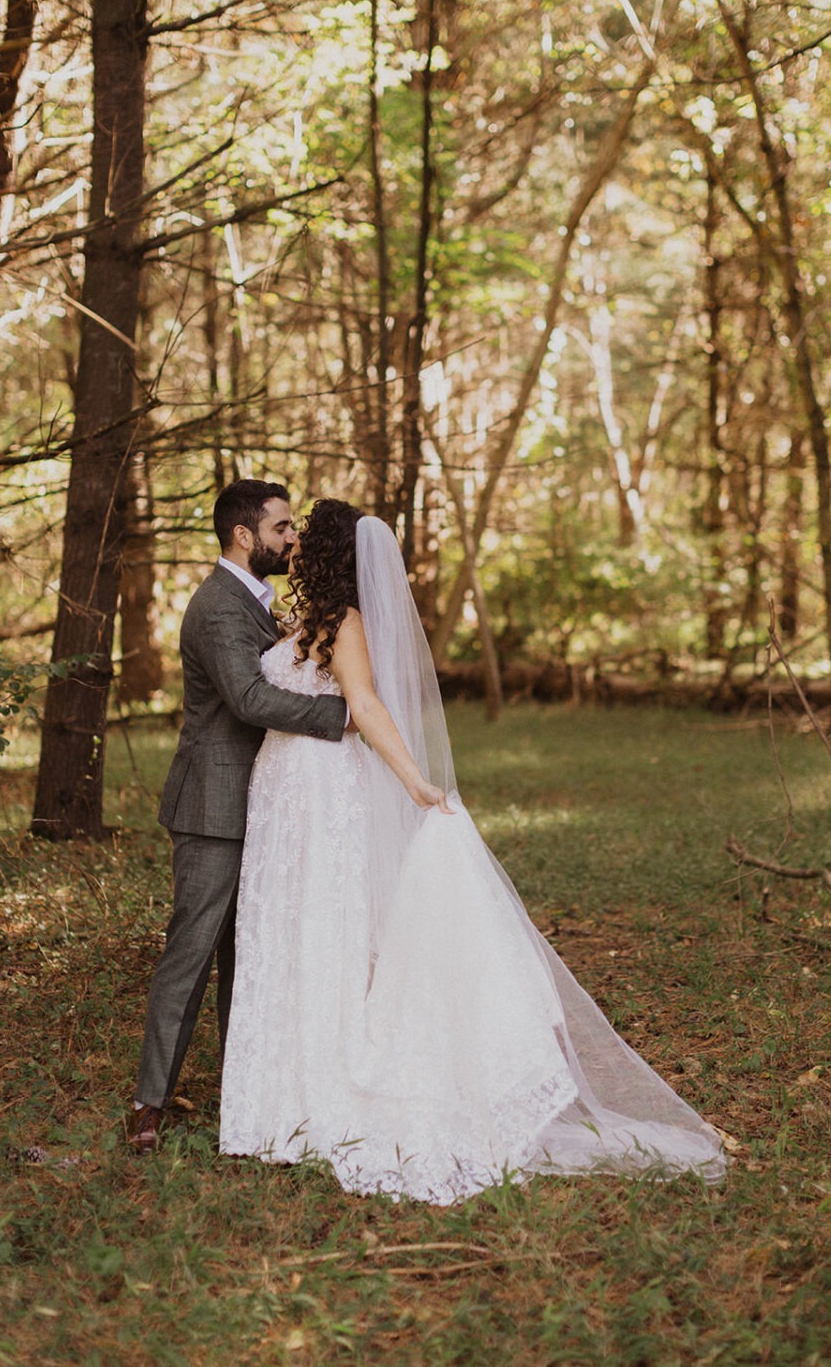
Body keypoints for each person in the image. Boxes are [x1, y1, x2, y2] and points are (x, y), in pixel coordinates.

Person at [219, 500, 725, 1203]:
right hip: (284, 798)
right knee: (285, 934)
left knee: (322, 933)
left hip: (322, 794)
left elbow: (364, 707)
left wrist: (416, 781)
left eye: (306, 531)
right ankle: (277, 1100)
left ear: (328, 550)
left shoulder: (348, 623)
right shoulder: (307, 621)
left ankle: (318, 1096)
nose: (295, 539)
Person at [127, 480, 348, 1153]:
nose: (292, 538)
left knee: (246, 952)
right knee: (192, 952)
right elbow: (250, 699)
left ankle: (242, 1086)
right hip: (212, 805)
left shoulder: (259, 601)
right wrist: (343, 716)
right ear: (244, 536)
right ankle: (147, 1104)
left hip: (262, 800)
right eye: (282, 527)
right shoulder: (218, 605)